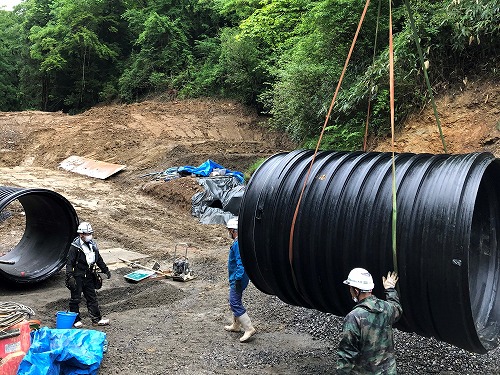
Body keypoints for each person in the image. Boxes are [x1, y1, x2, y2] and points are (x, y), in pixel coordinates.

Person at [337, 268, 402, 374]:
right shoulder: (386, 308)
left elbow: (347, 355)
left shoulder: (354, 317)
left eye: (350, 288)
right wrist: (390, 289)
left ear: (356, 291)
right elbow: (397, 308)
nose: (350, 292)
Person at [65, 221, 111, 327]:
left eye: (90, 234)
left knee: (92, 297)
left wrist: (105, 269)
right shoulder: (75, 247)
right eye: (87, 234)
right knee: (75, 299)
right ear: (81, 235)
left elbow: (98, 258)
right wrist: (70, 276)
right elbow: (69, 263)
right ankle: (75, 320)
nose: (89, 236)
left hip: (89, 275)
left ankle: (96, 319)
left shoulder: (92, 245)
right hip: (78, 276)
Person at [223, 217, 256, 342]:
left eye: (229, 230)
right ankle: (236, 325)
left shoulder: (237, 244)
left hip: (238, 278)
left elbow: (240, 263)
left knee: (234, 302)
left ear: (233, 231)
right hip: (239, 278)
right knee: (235, 300)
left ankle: (249, 328)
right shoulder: (240, 242)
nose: (228, 233)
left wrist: (237, 279)